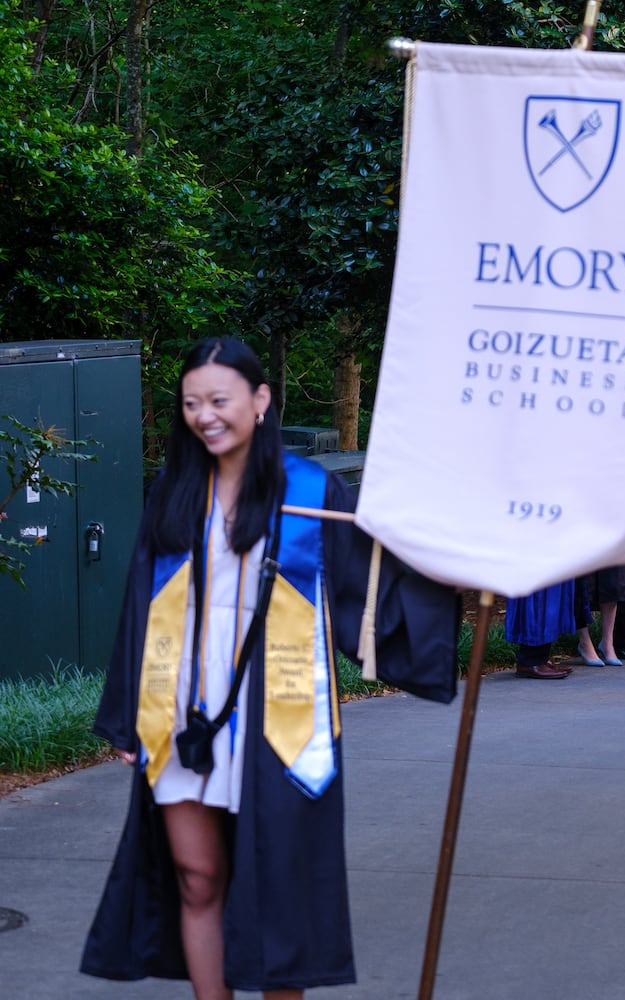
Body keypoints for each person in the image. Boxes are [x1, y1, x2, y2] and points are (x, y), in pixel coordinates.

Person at [81, 337, 459, 996]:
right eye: (192, 403)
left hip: (279, 716)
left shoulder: (311, 490)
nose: (205, 415)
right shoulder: (173, 492)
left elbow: (368, 589)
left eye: (219, 400)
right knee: (196, 877)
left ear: (260, 401)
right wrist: (124, 718)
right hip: (182, 714)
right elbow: (139, 609)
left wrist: (460, 584)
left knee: (280, 892)